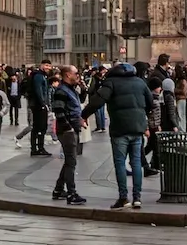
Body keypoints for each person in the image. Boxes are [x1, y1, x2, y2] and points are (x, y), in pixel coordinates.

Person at [95, 60, 150, 209]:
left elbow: (98, 100)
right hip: (137, 129)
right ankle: (137, 197)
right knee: (137, 163)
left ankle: (123, 197)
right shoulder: (140, 82)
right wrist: (143, 120)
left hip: (119, 129)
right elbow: (150, 102)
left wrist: (83, 115)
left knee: (120, 163)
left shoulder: (111, 82)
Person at [50, 65, 88, 205]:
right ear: (67, 75)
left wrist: (82, 86)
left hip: (72, 128)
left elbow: (80, 101)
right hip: (67, 131)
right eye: (76, 73)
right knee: (71, 161)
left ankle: (59, 190)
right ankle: (71, 193)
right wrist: (68, 128)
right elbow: (59, 110)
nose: (78, 75)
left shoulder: (71, 89)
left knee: (69, 161)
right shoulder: (61, 90)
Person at [27, 65, 53, 155]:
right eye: (46, 65)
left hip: (38, 104)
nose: (48, 68)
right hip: (39, 105)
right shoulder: (39, 76)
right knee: (40, 126)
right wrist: (43, 104)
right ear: (42, 65)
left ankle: (36, 148)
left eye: (49, 66)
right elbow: (39, 90)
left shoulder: (41, 75)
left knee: (38, 127)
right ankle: (38, 148)